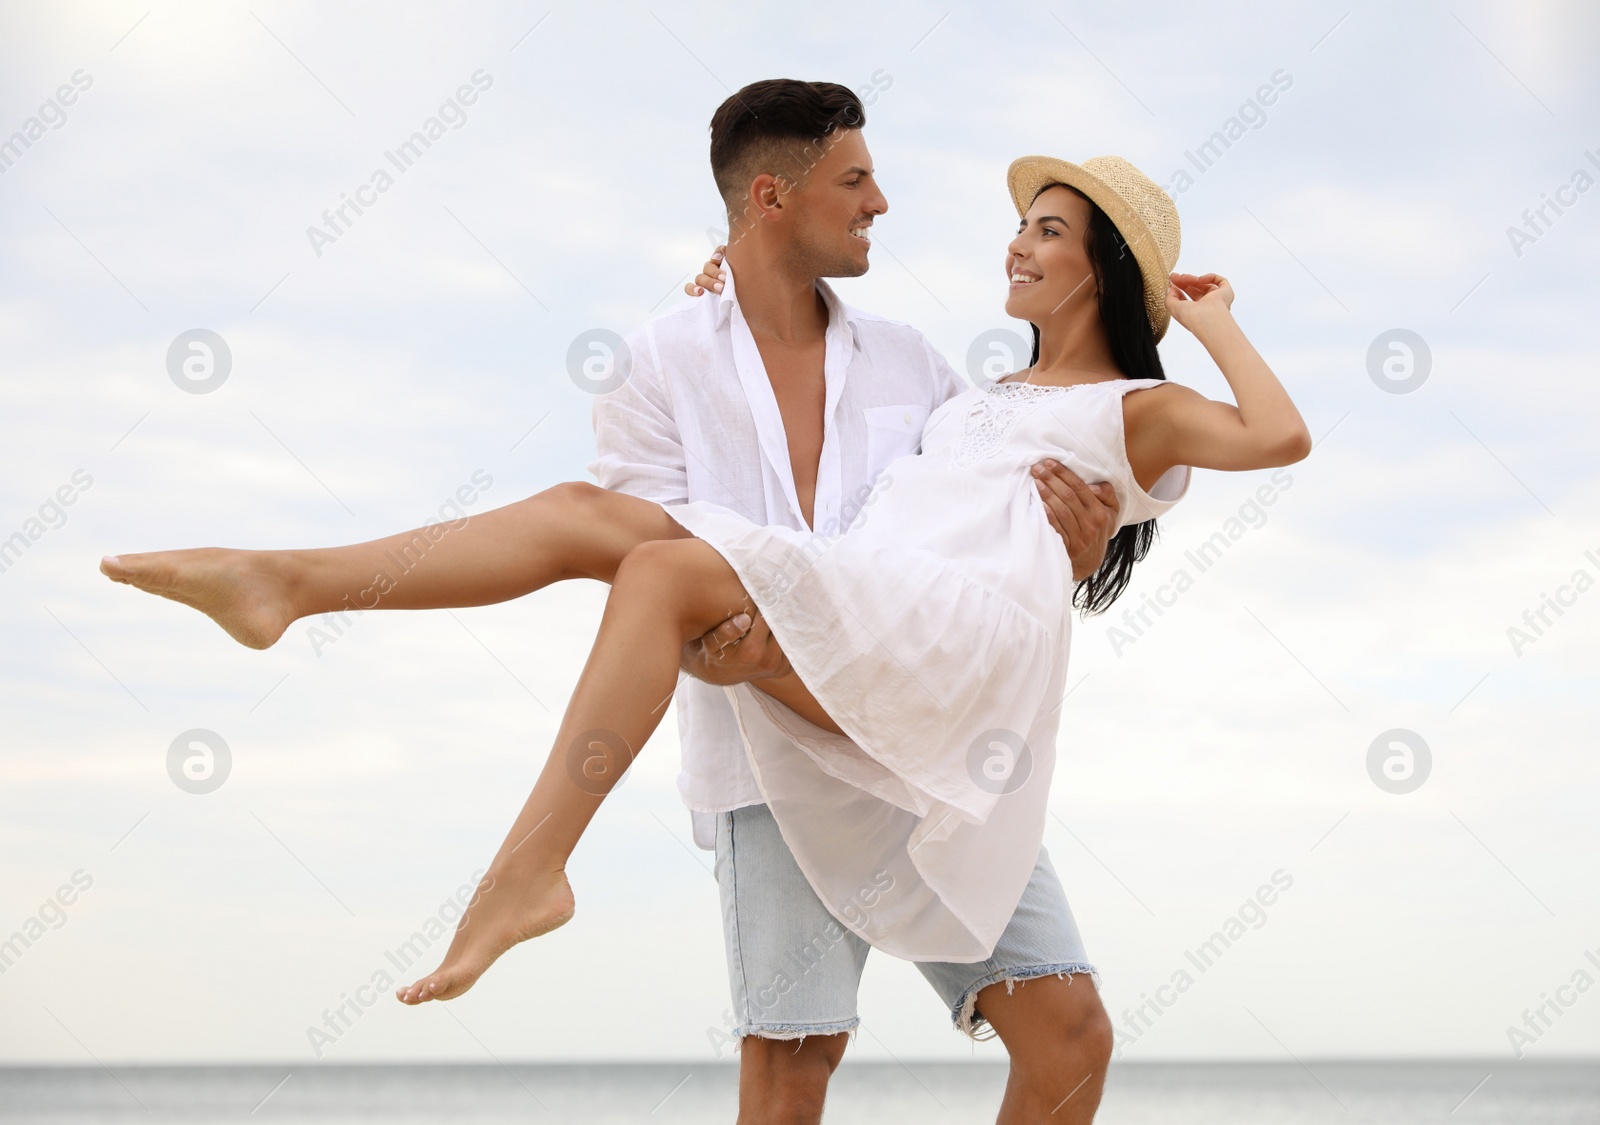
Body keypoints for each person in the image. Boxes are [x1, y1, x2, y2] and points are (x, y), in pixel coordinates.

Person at [100, 94, 1310, 1125]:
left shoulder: (932, 369)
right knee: (615, 535)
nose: (888, 204)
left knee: (1069, 1032)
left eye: (1045, 231)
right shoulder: (736, 362)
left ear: (1098, 265)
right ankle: (294, 583)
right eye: (856, 180)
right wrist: (730, 297)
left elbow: (1160, 463)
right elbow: (971, 484)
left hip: (926, 680)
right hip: (797, 692)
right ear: (770, 203)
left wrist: (1129, 473)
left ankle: (519, 864)